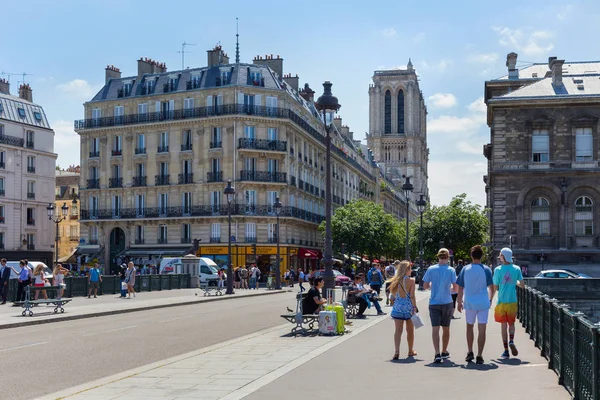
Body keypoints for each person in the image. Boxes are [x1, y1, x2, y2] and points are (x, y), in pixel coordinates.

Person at [456, 245, 495, 364]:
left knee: (469, 327)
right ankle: (479, 355)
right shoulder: (486, 269)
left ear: (471, 256)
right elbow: (492, 288)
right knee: (482, 329)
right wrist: (490, 299)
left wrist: (458, 301)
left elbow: (460, 287)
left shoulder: (465, 269)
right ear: (482, 256)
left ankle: (469, 351)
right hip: (483, 302)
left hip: (469, 302)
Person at [423, 248, 458, 363]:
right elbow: (455, 288)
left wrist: (433, 285)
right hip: (447, 301)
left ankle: (437, 353)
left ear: (438, 257)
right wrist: (449, 289)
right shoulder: (451, 270)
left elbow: (425, 286)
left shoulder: (431, 269)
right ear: (448, 257)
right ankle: (444, 350)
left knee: (435, 329)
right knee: (446, 328)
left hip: (434, 302)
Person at [493, 247, 525, 359]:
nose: (499, 257)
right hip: (512, 300)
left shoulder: (497, 270)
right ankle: (511, 340)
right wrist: (515, 282)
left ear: (503, 257)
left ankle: (506, 350)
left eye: (500, 255)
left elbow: (495, 286)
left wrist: (490, 299)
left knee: (503, 325)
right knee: (511, 324)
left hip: (501, 301)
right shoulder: (516, 269)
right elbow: (522, 285)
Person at [388, 260, 418, 359]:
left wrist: (395, 304)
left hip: (398, 308)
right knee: (410, 330)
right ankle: (410, 350)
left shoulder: (395, 281)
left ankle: (396, 351)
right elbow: (412, 296)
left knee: (398, 330)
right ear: (407, 270)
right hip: (409, 308)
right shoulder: (411, 281)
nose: (411, 271)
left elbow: (392, 296)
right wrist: (414, 307)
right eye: (410, 268)